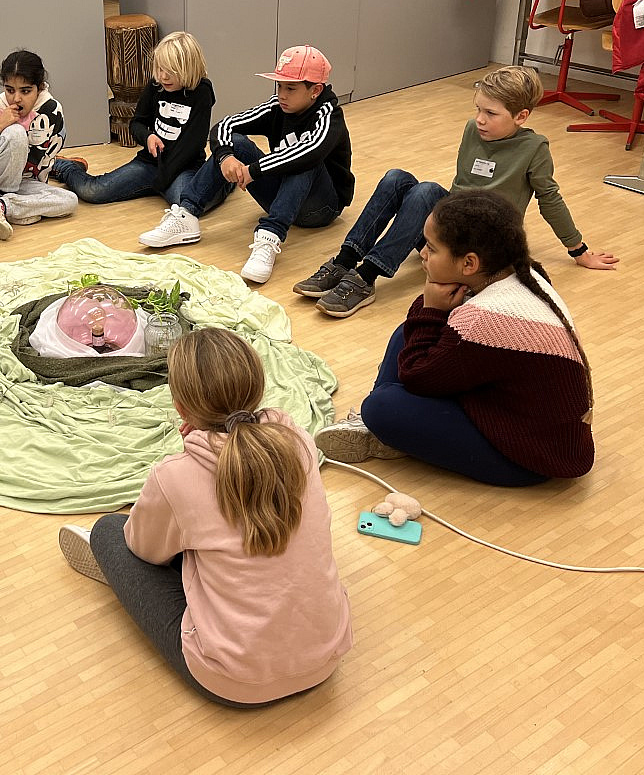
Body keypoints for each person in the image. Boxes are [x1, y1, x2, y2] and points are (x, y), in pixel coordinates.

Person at [58, 328, 352, 706]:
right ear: (258, 387)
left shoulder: (174, 476)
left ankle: (144, 580)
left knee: (109, 531)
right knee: (208, 537)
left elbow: (143, 549)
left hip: (234, 682)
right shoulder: (299, 441)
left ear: (180, 408)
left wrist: (191, 460)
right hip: (325, 657)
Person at [314, 190, 595, 486]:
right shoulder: (523, 273)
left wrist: (432, 307)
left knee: (381, 407)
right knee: (406, 333)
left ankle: (381, 430)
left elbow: (416, 376)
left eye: (431, 248)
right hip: (520, 416)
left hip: (528, 458)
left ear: (469, 264)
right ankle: (388, 431)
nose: (423, 254)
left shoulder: (482, 320)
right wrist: (431, 310)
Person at [295, 65, 618, 319]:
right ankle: (345, 260)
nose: (480, 120)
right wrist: (436, 234)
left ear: (521, 116)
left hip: (481, 243)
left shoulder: (534, 148)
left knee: (425, 191)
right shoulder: (472, 130)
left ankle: (366, 276)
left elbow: (550, 200)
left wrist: (579, 250)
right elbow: (462, 186)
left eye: (491, 114)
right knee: (397, 178)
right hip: (452, 226)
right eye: (478, 109)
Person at [138, 45, 353, 284]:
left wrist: (254, 170)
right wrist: (225, 157)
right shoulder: (278, 106)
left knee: (304, 159)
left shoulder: (329, 115)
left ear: (316, 90)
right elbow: (225, 125)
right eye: (280, 86)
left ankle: (269, 237)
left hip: (320, 208)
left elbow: (309, 153)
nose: (282, 94)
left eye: (291, 88)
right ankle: (186, 215)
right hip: (280, 196)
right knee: (236, 143)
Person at [51, 32, 227, 210]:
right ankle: (65, 166)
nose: (163, 76)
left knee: (187, 206)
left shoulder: (202, 93)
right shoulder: (155, 86)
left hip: (183, 168)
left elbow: (192, 145)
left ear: (188, 69)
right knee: (92, 191)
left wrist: (162, 180)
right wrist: (148, 137)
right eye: (160, 69)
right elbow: (137, 123)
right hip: (149, 164)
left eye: (171, 71)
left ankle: (227, 179)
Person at [0, 50, 77, 240]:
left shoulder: (52, 111)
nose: (16, 99)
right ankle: (9, 203)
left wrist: (38, 194)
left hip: (23, 182)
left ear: (40, 87)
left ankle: (2, 206)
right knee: (15, 133)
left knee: (70, 201)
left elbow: (47, 158)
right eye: (10, 90)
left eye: (25, 91)